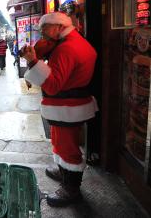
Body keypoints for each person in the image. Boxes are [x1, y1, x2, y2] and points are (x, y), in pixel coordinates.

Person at [20, 12, 98, 207]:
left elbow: (52, 85)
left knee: (68, 148)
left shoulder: (67, 49)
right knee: (59, 140)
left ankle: (71, 188)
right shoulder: (71, 41)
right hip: (67, 106)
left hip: (67, 106)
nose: (42, 35)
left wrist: (32, 62)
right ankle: (63, 170)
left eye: (44, 29)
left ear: (58, 27)